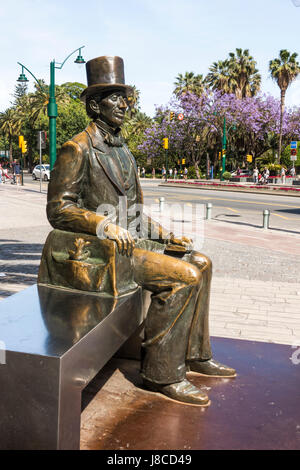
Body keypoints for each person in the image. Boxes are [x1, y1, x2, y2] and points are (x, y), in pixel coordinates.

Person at [39, 56, 235, 407]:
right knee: (184, 276)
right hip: (104, 253)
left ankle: (195, 354)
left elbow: (135, 212)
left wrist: (164, 235)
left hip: (134, 244)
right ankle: (161, 373)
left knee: (202, 261)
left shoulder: (124, 151)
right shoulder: (77, 148)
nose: (125, 105)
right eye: (116, 98)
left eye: (125, 98)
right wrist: (102, 224)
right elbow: (59, 209)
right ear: (95, 105)